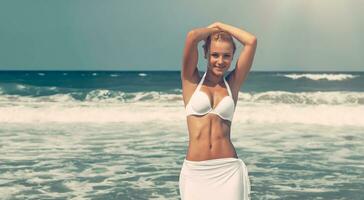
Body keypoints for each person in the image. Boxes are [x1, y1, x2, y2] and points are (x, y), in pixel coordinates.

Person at [179, 22, 257, 200]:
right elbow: (192, 36)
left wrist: (223, 26)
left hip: (228, 170)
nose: (220, 61)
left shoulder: (232, 84)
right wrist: (214, 30)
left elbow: (251, 41)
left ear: (232, 57)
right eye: (215, 55)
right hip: (195, 172)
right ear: (205, 53)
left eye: (226, 56)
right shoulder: (191, 81)